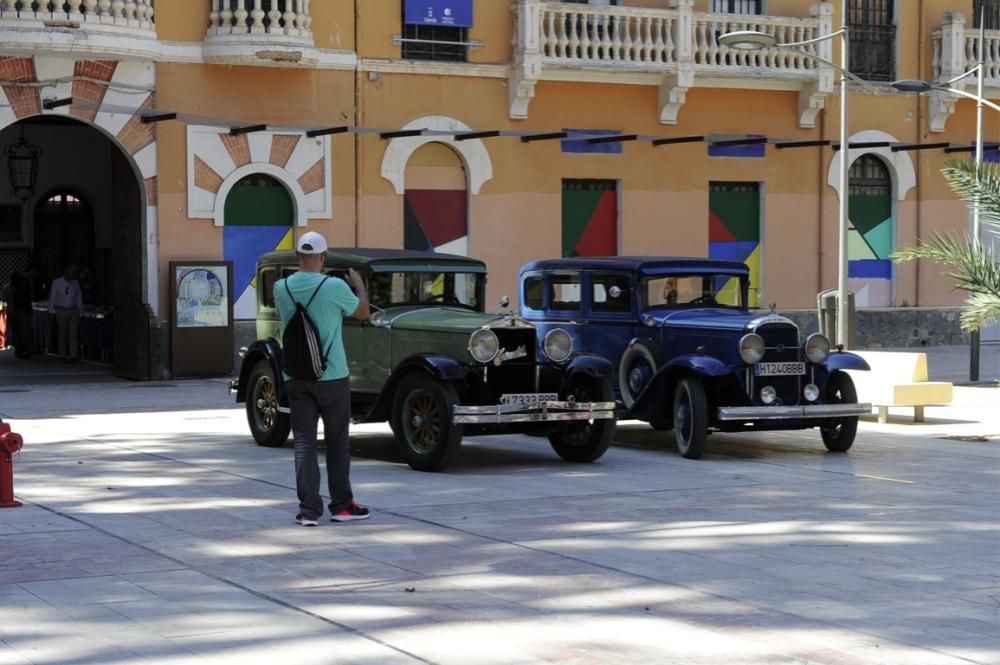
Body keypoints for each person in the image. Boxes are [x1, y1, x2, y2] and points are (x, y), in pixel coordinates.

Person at [275, 231, 371, 527]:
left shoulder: (281, 287)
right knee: (337, 441)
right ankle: (342, 506)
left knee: (304, 442)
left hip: (295, 375)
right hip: (332, 375)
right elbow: (363, 313)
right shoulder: (335, 286)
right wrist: (359, 286)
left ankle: (308, 511)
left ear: (297, 257)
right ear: (323, 257)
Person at [48, 265, 84, 363]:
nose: (73, 274)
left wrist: (80, 311)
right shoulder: (56, 282)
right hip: (61, 310)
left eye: (74, 272)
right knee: (62, 333)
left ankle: (73, 356)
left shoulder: (75, 283)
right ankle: (62, 355)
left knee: (73, 334)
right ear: (66, 272)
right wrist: (51, 311)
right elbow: (53, 297)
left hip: (73, 310)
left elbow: (78, 297)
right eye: (71, 272)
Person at [8, 265, 37, 359]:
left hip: (23, 307)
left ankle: (22, 349)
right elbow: (13, 293)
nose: (33, 276)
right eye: (32, 273)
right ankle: (23, 348)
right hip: (20, 307)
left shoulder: (25, 281)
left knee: (21, 329)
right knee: (23, 329)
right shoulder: (18, 279)